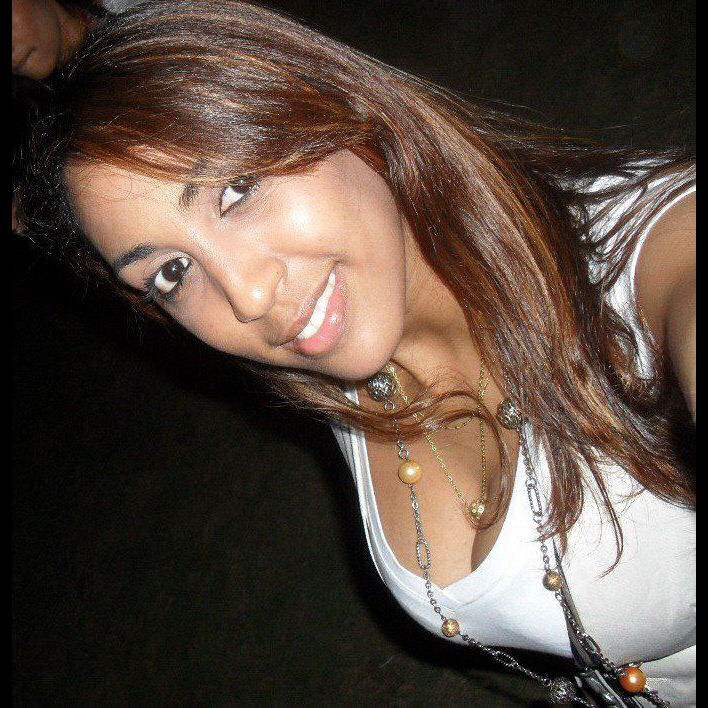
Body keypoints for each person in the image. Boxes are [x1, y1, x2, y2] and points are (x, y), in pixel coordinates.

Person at [14, 1, 695, 705]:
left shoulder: (640, 265)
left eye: (237, 190)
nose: (248, 296)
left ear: (338, 108)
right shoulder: (344, 359)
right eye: (171, 273)